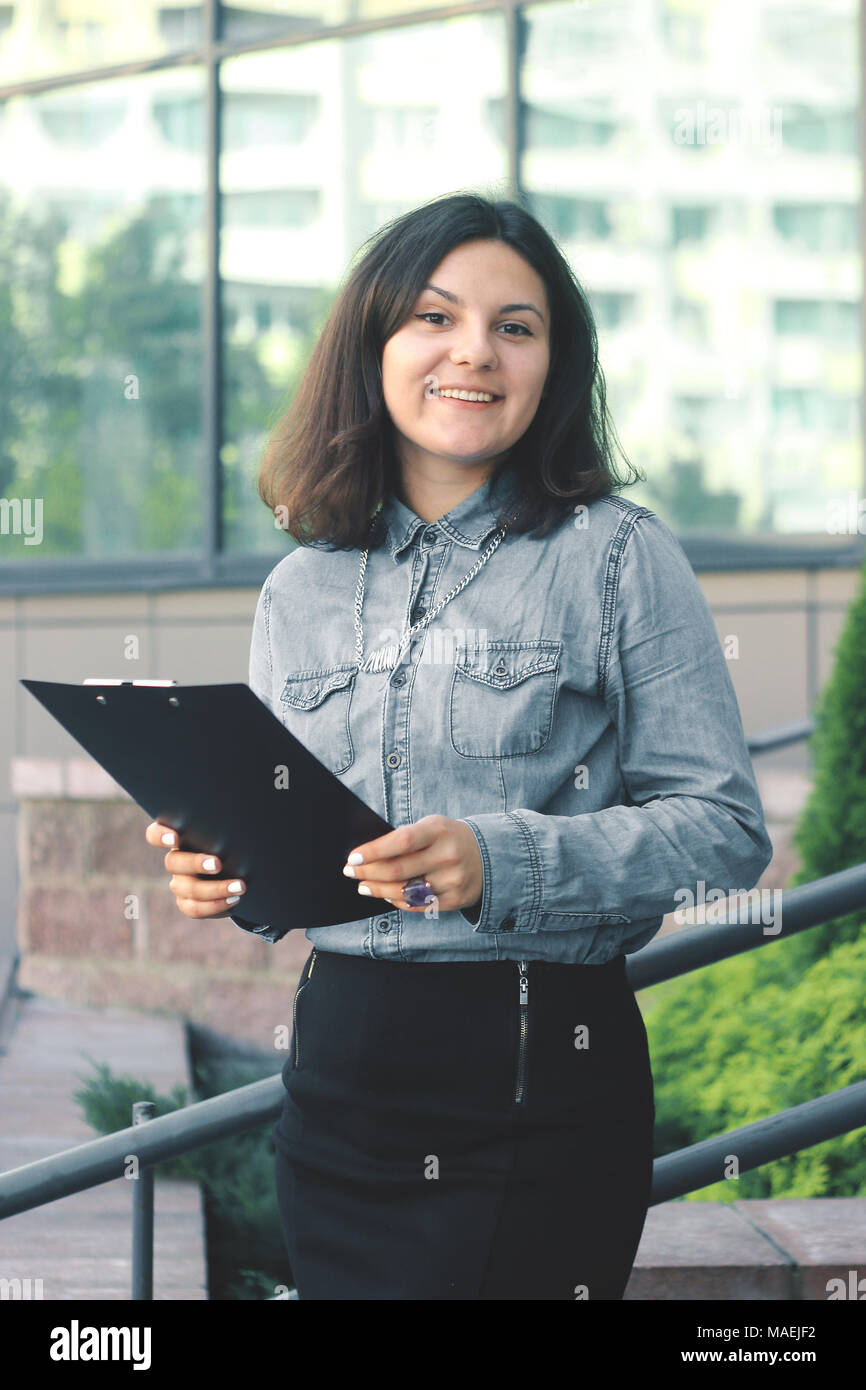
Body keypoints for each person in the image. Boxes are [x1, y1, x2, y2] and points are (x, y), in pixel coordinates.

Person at [145, 190, 773, 1300]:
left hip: (535, 1080)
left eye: (513, 326)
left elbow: (721, 831)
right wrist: (227, 867)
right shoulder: (300, 586)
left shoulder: (617, 557)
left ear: (551, 362)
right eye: (433, 318)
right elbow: (293, 843)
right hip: (336, 1080)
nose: (472, 352)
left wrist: (502, 860)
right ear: (373, 346)